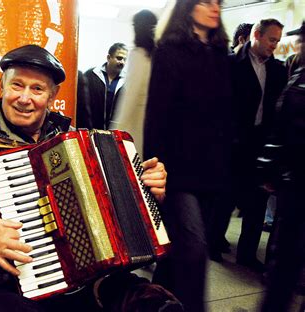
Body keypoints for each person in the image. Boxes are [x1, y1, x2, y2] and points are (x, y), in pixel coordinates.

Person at [0, 44, 171, 312]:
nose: (24, 98)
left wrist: (143, 190)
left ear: (52, 96)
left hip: (78, 276)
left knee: (153, 303)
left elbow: (107, 212)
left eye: (37, 89)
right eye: (17, 85)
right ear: (2, 86)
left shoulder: (69, 142)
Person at [142, 1, 232, 311]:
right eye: (206, 1)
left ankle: (155, 302)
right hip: (177, 172)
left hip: (213, 171)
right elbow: (156, 115)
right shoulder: (170, 50)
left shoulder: (221, 55)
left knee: (179, 251)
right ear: (188, 7)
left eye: (218, 2)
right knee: (194, 250)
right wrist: (154, 169)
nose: (214, 8)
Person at [230, 18, 288, 273]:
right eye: (271, 39)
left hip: (260, 144)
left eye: (277, 41)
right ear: (256, 35)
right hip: (234, 142)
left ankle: (247, 253)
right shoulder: (232, 63)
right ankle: (213, 241)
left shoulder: (277, 70)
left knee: (257, 203)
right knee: (226, 196)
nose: (274, 45)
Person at [260, 21, 305, 312]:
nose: (298, 45)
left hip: (299, 182)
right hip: (294, 179)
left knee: (286, 262)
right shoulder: (299, 73)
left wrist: (270, 165)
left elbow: (291, 124)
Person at [109, 9, 158, 159]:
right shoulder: (157, 54)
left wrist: (115, 133)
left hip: (135, 125)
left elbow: (130, 98)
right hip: (152, 124)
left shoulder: (138, 54)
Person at [84, 42, 128, 130]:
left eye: (124, 59)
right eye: (119, 58)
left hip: (115, 135)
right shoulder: (91, 75)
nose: (122, 62)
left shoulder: (128, 82)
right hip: (91, 132)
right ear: (108, 57)